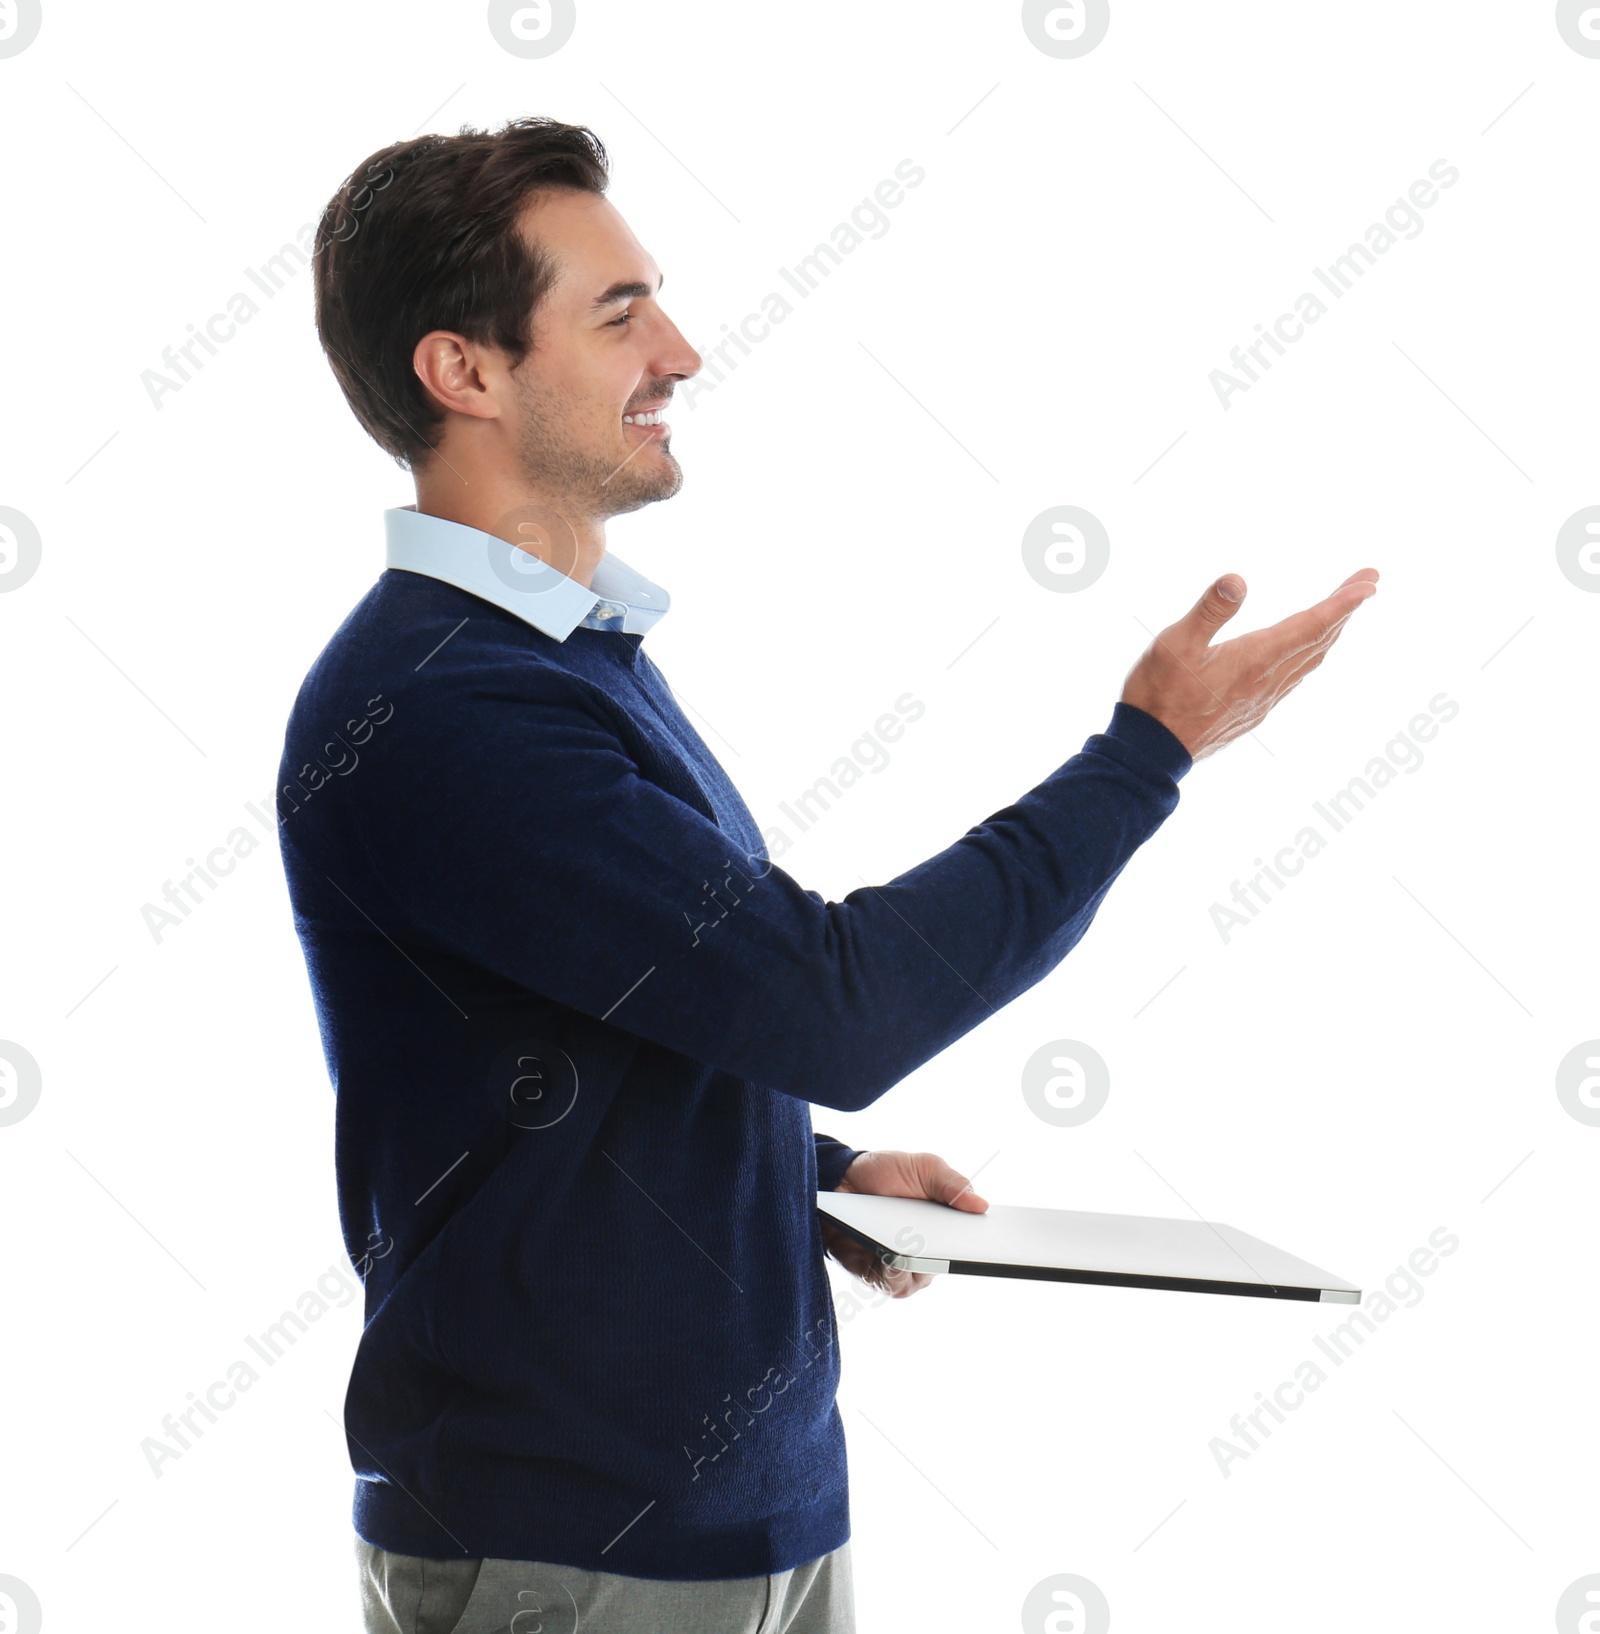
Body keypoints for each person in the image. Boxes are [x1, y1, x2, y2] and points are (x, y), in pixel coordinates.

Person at [277, 115, 1377, 1634]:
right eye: (618, 313)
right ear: (463, 371)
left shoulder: (564, 666)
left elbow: (622, 1034)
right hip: (572, 1547)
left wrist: (816, 1175)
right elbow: (827, 1003)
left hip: (738, 1520)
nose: (681, 347)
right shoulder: (448, 705)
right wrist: (1145, 756)